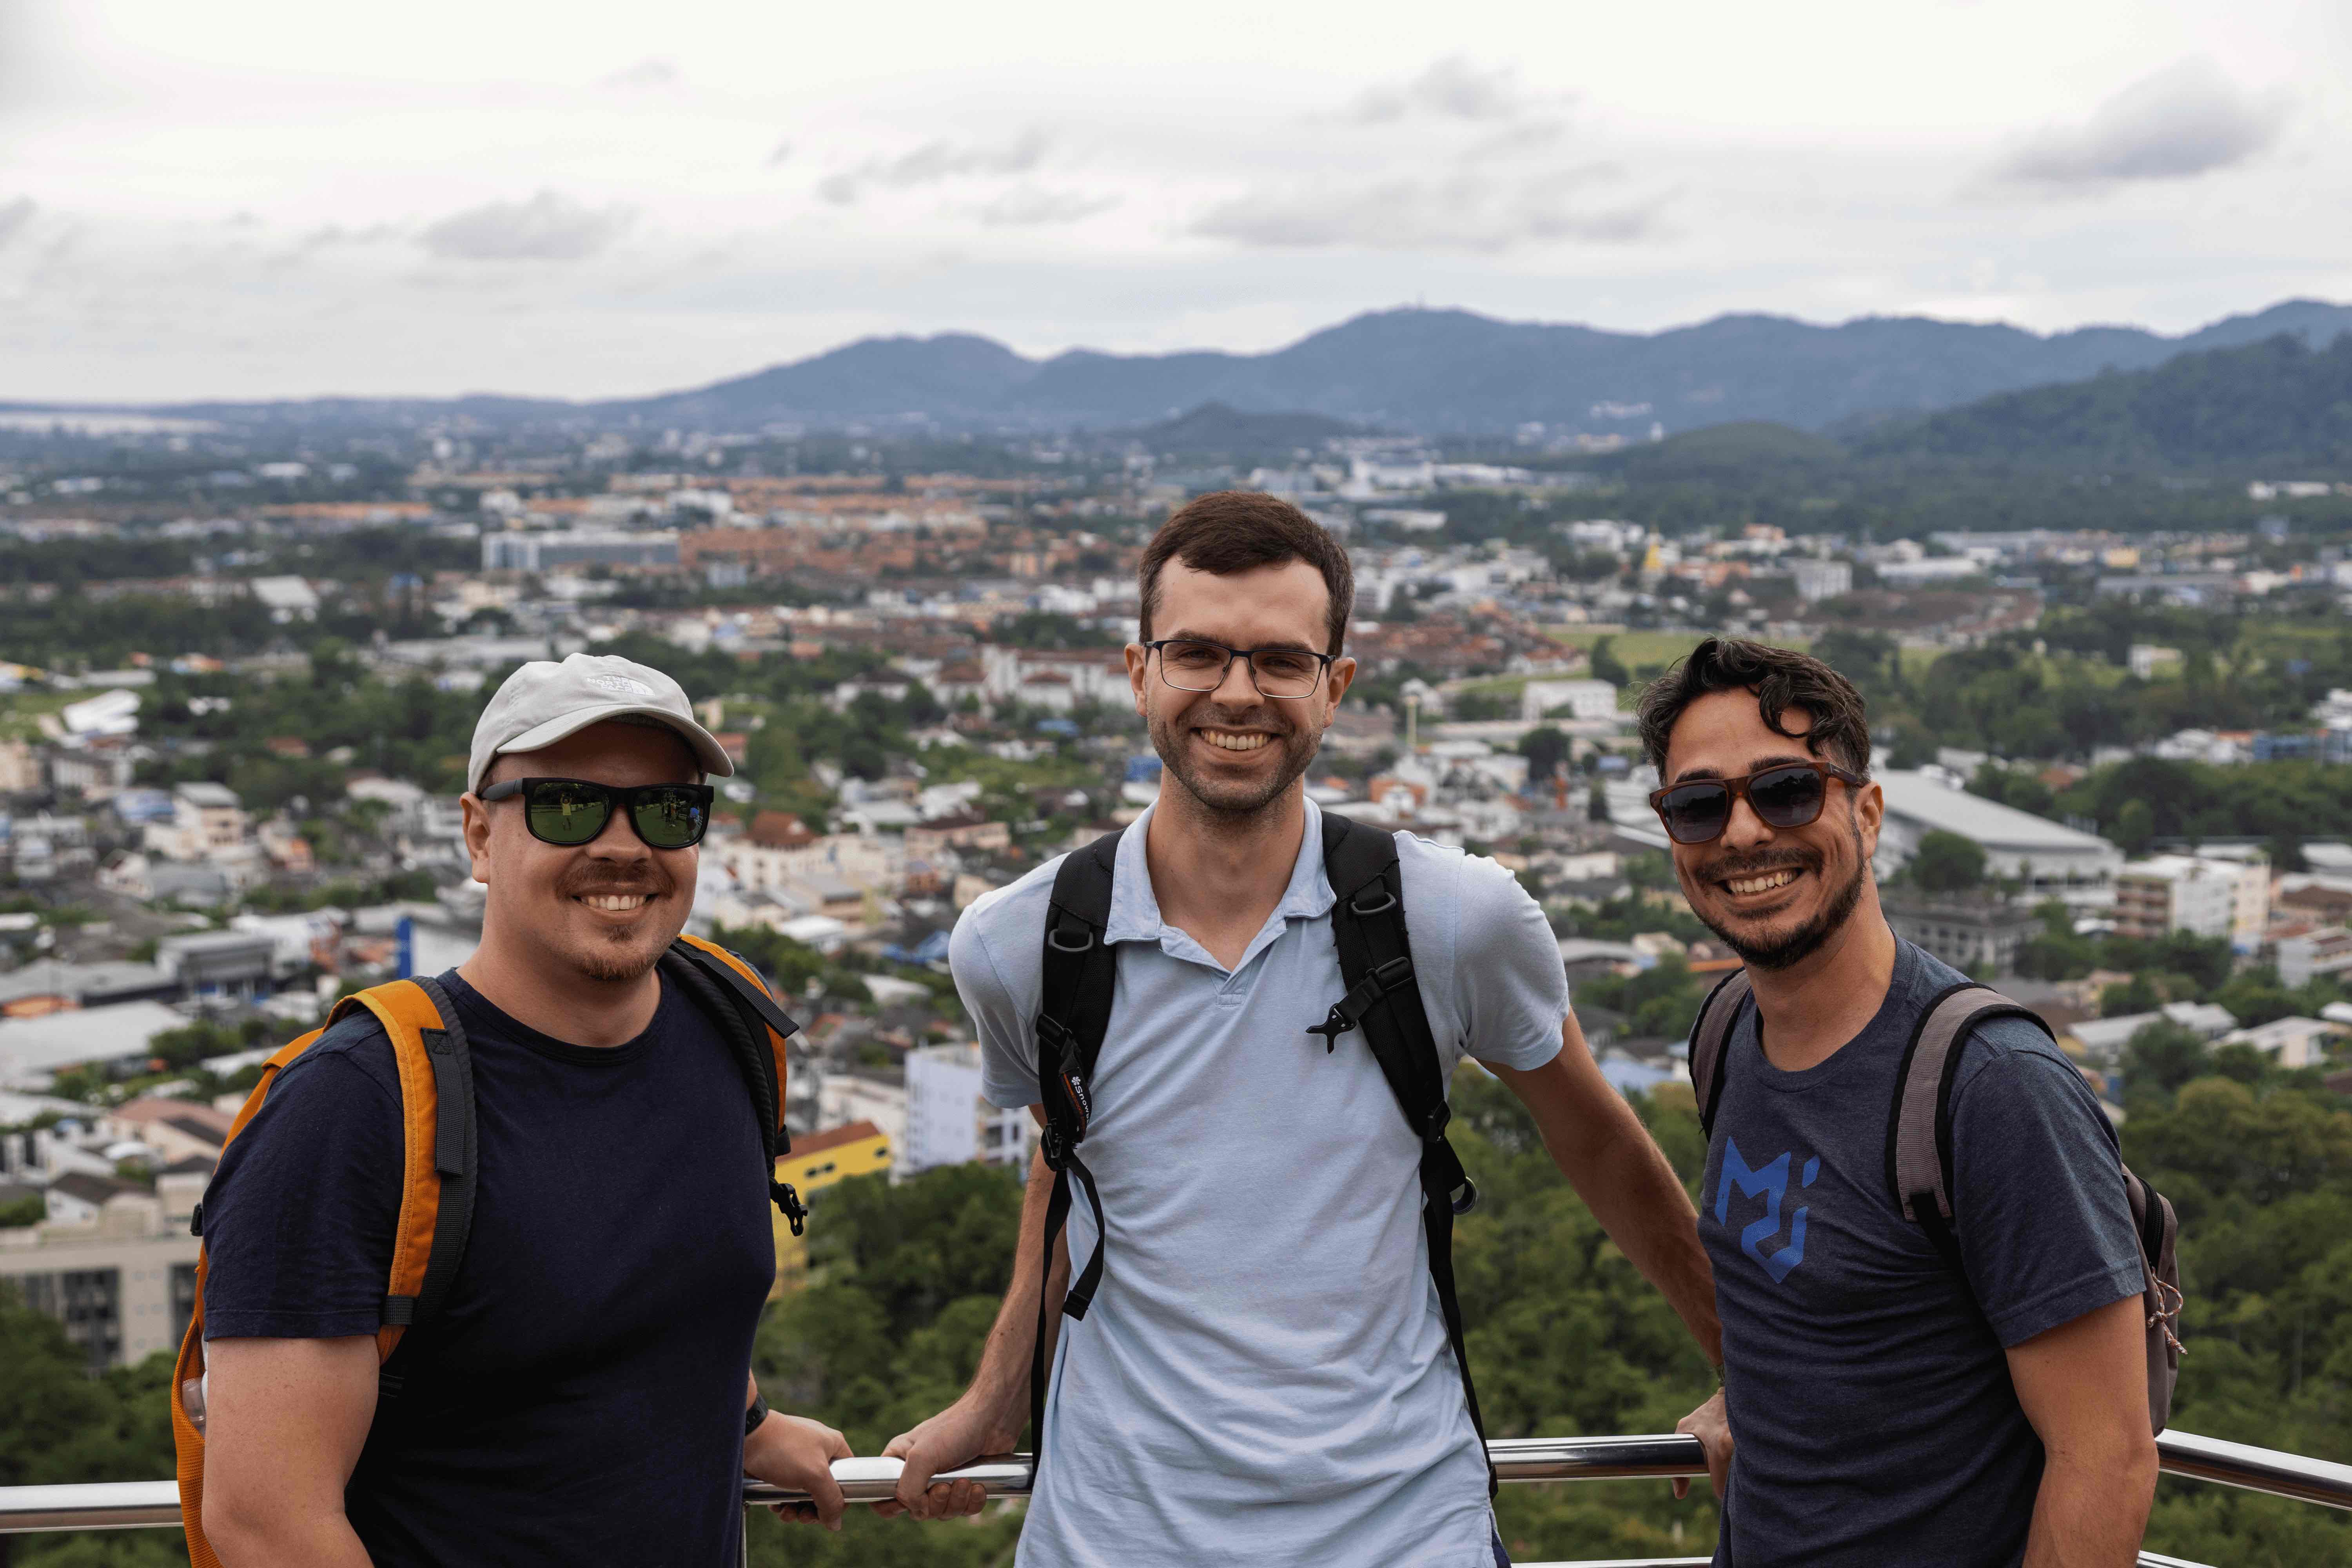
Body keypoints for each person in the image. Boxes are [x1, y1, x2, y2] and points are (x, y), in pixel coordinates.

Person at [881, 492, 1725, 1566]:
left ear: (1337, 688)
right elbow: (1063, 1165)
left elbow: (1599, 1143)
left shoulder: (1452, 920)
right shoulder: (1023, 944)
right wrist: (998, 1396)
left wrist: (1757, 1375)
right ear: (1138, 672)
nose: (1238, 693)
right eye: (1197, 654)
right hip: (1115, 1532)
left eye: (1281, 661)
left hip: (1400, 1530)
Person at [196, 653, 854, 1566]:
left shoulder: (731, 1024)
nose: (623, 845)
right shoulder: (354, 1109)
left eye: (667, 808)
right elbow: (267, 1520)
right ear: (477, 834)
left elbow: (647, 1295)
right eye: (566, 804)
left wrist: (744, 1422)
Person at [1641, 638, 2159, 1567]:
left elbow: (2108, 1459)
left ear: (1868, 812)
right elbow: (1813, 1289)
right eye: (1699, 804)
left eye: (1788, 790)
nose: (1744, 832)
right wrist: (1752, 1395)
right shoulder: (1728, 1032)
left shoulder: (1991, 1087)